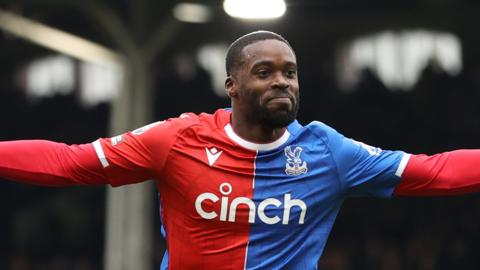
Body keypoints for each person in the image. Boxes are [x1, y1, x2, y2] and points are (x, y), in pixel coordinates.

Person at [1, 30, 480, 269]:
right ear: (232, 85)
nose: (282, 83)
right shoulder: (178, 139)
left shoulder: (328, 152)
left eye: (289, 73)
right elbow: (69, 161)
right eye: (265, 72)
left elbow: (432, 172)